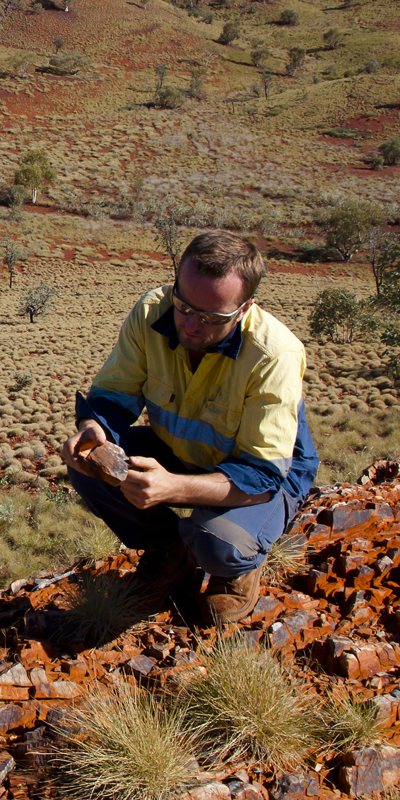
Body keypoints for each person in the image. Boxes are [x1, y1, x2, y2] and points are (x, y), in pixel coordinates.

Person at [61, 230, 319, 625]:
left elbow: (262, 475)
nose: (192, 325)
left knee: (218, 542)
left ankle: (238, 569)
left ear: (246, 307)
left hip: (264, 473)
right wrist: (94, 425)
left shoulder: (275, 355)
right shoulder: (152, 312)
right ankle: (170, 553)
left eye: (212, 317)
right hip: (183, 449)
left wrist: (173, 488)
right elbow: (114, 394)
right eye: (183, 305)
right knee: (90, 471)